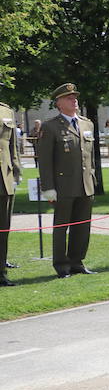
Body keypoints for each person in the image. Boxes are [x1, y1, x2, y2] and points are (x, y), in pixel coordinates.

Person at [37, 84, 96, 278]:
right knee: (62, 227)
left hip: (84, 184)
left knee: (82, 226)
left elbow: (90, 157)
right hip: (63, 186)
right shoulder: (50, 126)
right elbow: (45, 161)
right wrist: (48, 188)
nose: (74, 100)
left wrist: (92, 178)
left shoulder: (87, 124)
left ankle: (77, 262)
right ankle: (62, 265)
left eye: (75, 97)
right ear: (59, 103)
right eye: (69, 97)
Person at [0, 100, 22, 287]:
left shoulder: (6, 110)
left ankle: (1, 270)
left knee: (3, 227)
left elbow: (12, 145)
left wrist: (16, 170)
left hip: (4, 177)